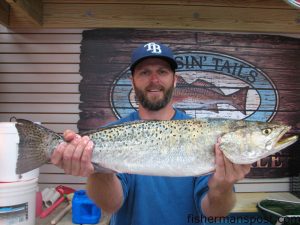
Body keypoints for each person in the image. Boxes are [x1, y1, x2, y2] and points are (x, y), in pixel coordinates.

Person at [51, 42, 251, 225]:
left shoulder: (201, 133)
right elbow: (111, 205)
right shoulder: (113, 134)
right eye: (145, 72)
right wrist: (97, 170)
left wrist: (222, 187)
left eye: (162, 72)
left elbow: (214, 214)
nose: (154, 80)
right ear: (133, 81)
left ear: (174, 80)